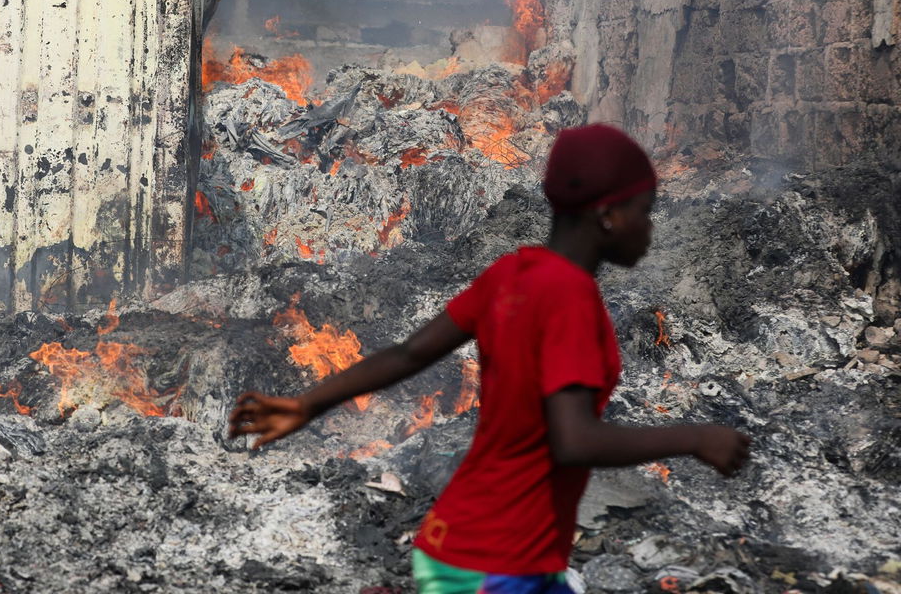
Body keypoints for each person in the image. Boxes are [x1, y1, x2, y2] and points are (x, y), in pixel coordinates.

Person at [228, 123, 752, 594]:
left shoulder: (514, 273)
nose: (650, 229)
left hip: (470, 541)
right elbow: (574, 440)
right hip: (494, 562)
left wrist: (308, 405)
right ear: (608, 215)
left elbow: (411, 352)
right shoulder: (570, 298)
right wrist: (695, 437)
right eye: (645, 212)